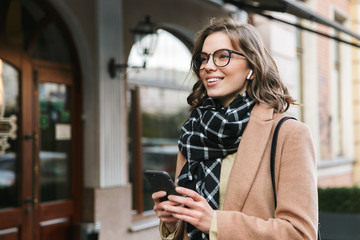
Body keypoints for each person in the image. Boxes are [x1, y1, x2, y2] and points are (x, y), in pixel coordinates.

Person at [152, 18, 318, 240]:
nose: (208, 66)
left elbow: (300, 233)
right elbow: (191, 228)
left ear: (251, 66)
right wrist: (172, 224)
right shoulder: (193, 134)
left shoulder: (289, 134)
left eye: (223, 56)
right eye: (204, 58)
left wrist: (215, 223)